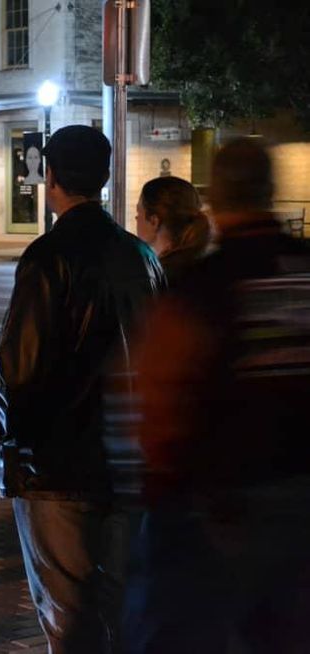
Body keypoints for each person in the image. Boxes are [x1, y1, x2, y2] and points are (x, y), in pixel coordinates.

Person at [0, 125, 165, 653]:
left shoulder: (47, 257)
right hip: (128, 460)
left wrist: (6, 442)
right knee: (119, 606)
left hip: (57, 467)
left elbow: (20, 369)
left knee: (68, 615)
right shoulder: (142, 257)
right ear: (104, 178)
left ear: (52, 178)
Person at [123, 138, 310, 653]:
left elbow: (161, 403)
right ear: (270, 192)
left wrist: (163, 484)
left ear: (218, 200)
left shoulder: (201, 287)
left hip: (222, 505)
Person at [135, 176, 211, 285]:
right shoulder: (207, 266)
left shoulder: (157, 280)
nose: (136, 218)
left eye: (138, 213)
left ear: (154, 221)